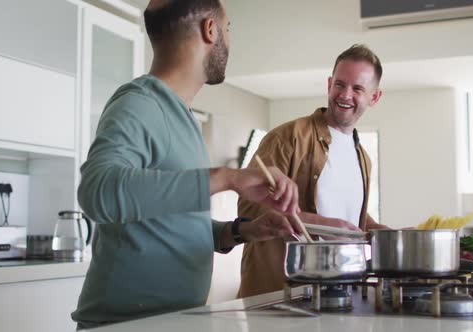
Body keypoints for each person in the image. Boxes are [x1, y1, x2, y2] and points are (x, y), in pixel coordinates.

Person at [71, 0, 303, 329]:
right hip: (125, 324)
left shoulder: (183, 119)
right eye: (228, 29)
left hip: (173, 321)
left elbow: (167, 226)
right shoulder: (139, 103)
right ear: (211, 30)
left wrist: (241, 230)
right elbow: (98, 192)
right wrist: (227, 177)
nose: (228, 39)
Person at [237, 44, 390, 298]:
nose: (345, 95)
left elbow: (348, 217)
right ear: (329, 84)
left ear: (374, 97)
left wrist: (381, 231)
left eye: (358, 88)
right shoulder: (286, 137)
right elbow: (249, 208)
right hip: (279, 295)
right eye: (340, 84)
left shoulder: (363, 157)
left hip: (337, 294)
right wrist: (325, 225)